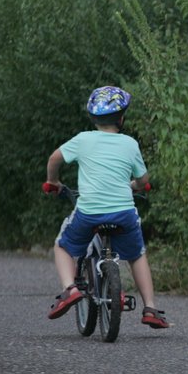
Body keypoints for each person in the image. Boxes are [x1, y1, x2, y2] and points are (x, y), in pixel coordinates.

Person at [44, 86, 169, 329]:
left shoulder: (82, 139)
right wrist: (134, 185)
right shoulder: (130, 144)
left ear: (92, 118)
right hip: (123, 213)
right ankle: (151, 308)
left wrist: (53, 181)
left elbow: (54, 159)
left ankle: (70, 289)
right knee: (137, 255)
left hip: (89, 211)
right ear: (122, 118)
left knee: (62, 246)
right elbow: (143, 181)